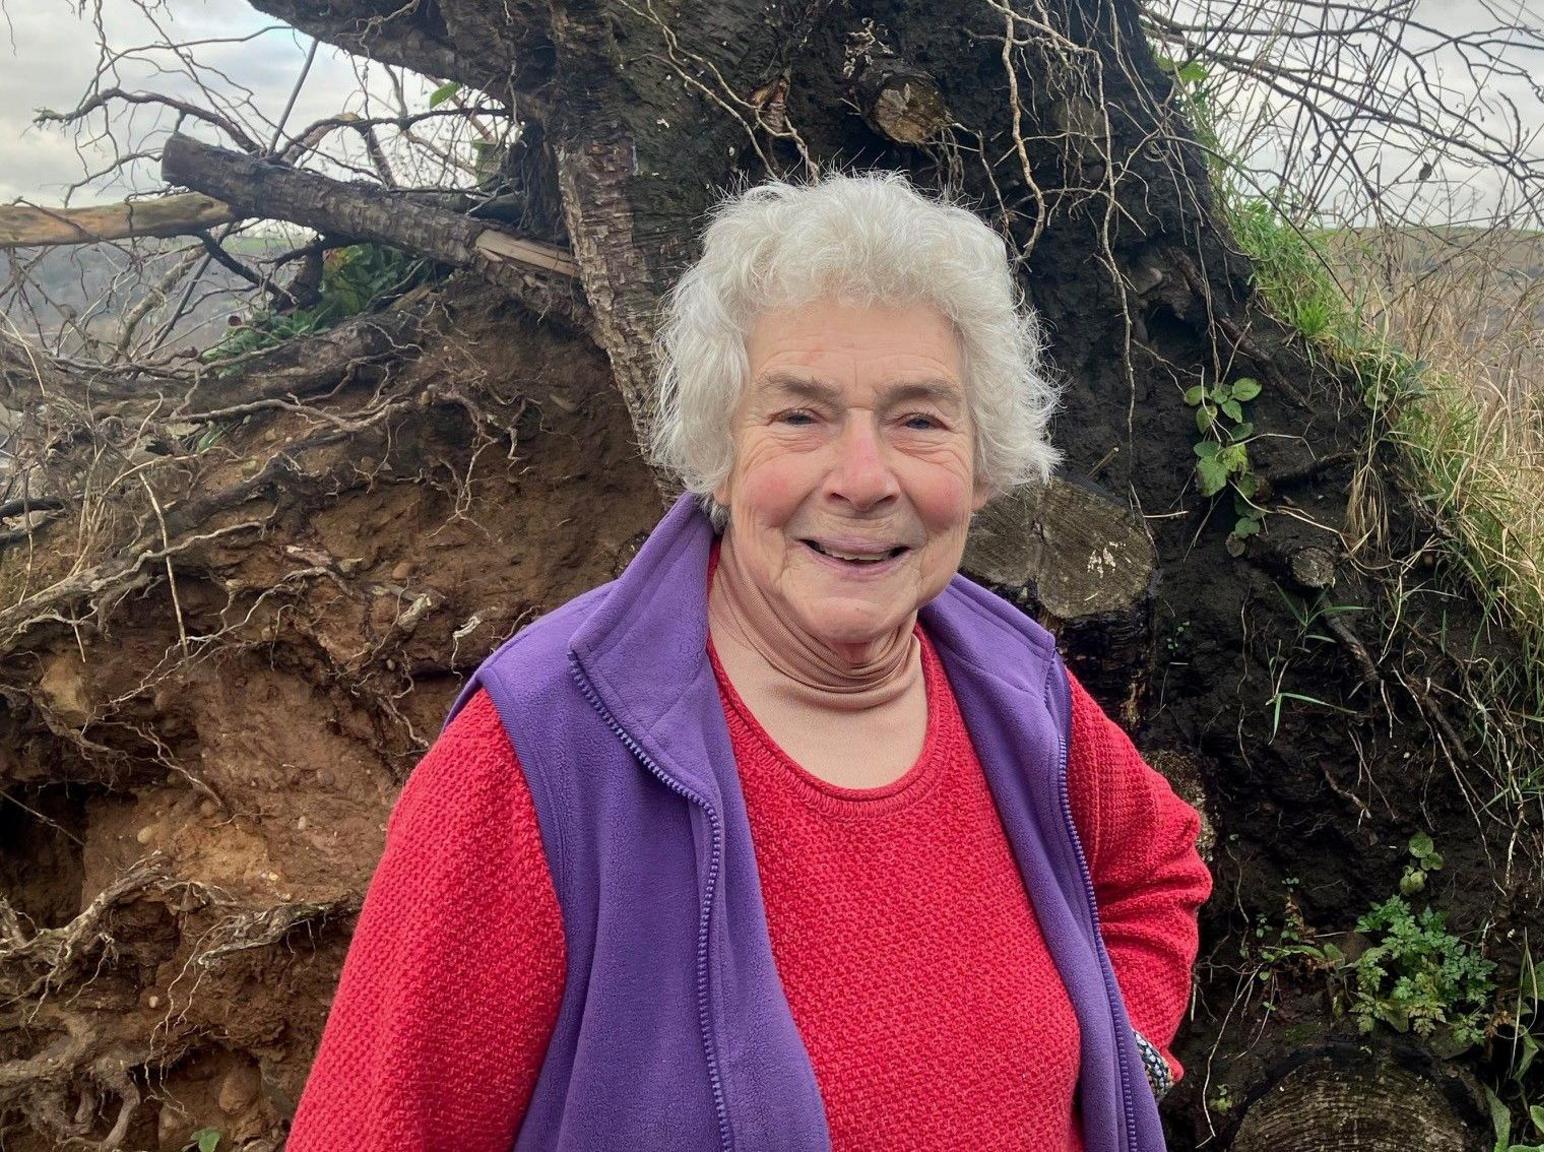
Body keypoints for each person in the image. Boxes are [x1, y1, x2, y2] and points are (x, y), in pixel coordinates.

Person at [286, 173, 1212, 1152]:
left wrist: (1119, 1056)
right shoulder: (543, 752)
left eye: (919, 419)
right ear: (717, 449)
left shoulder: (1013, 684)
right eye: (799, 416)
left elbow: (1155, 871)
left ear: (981, 468)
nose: (861, 478)